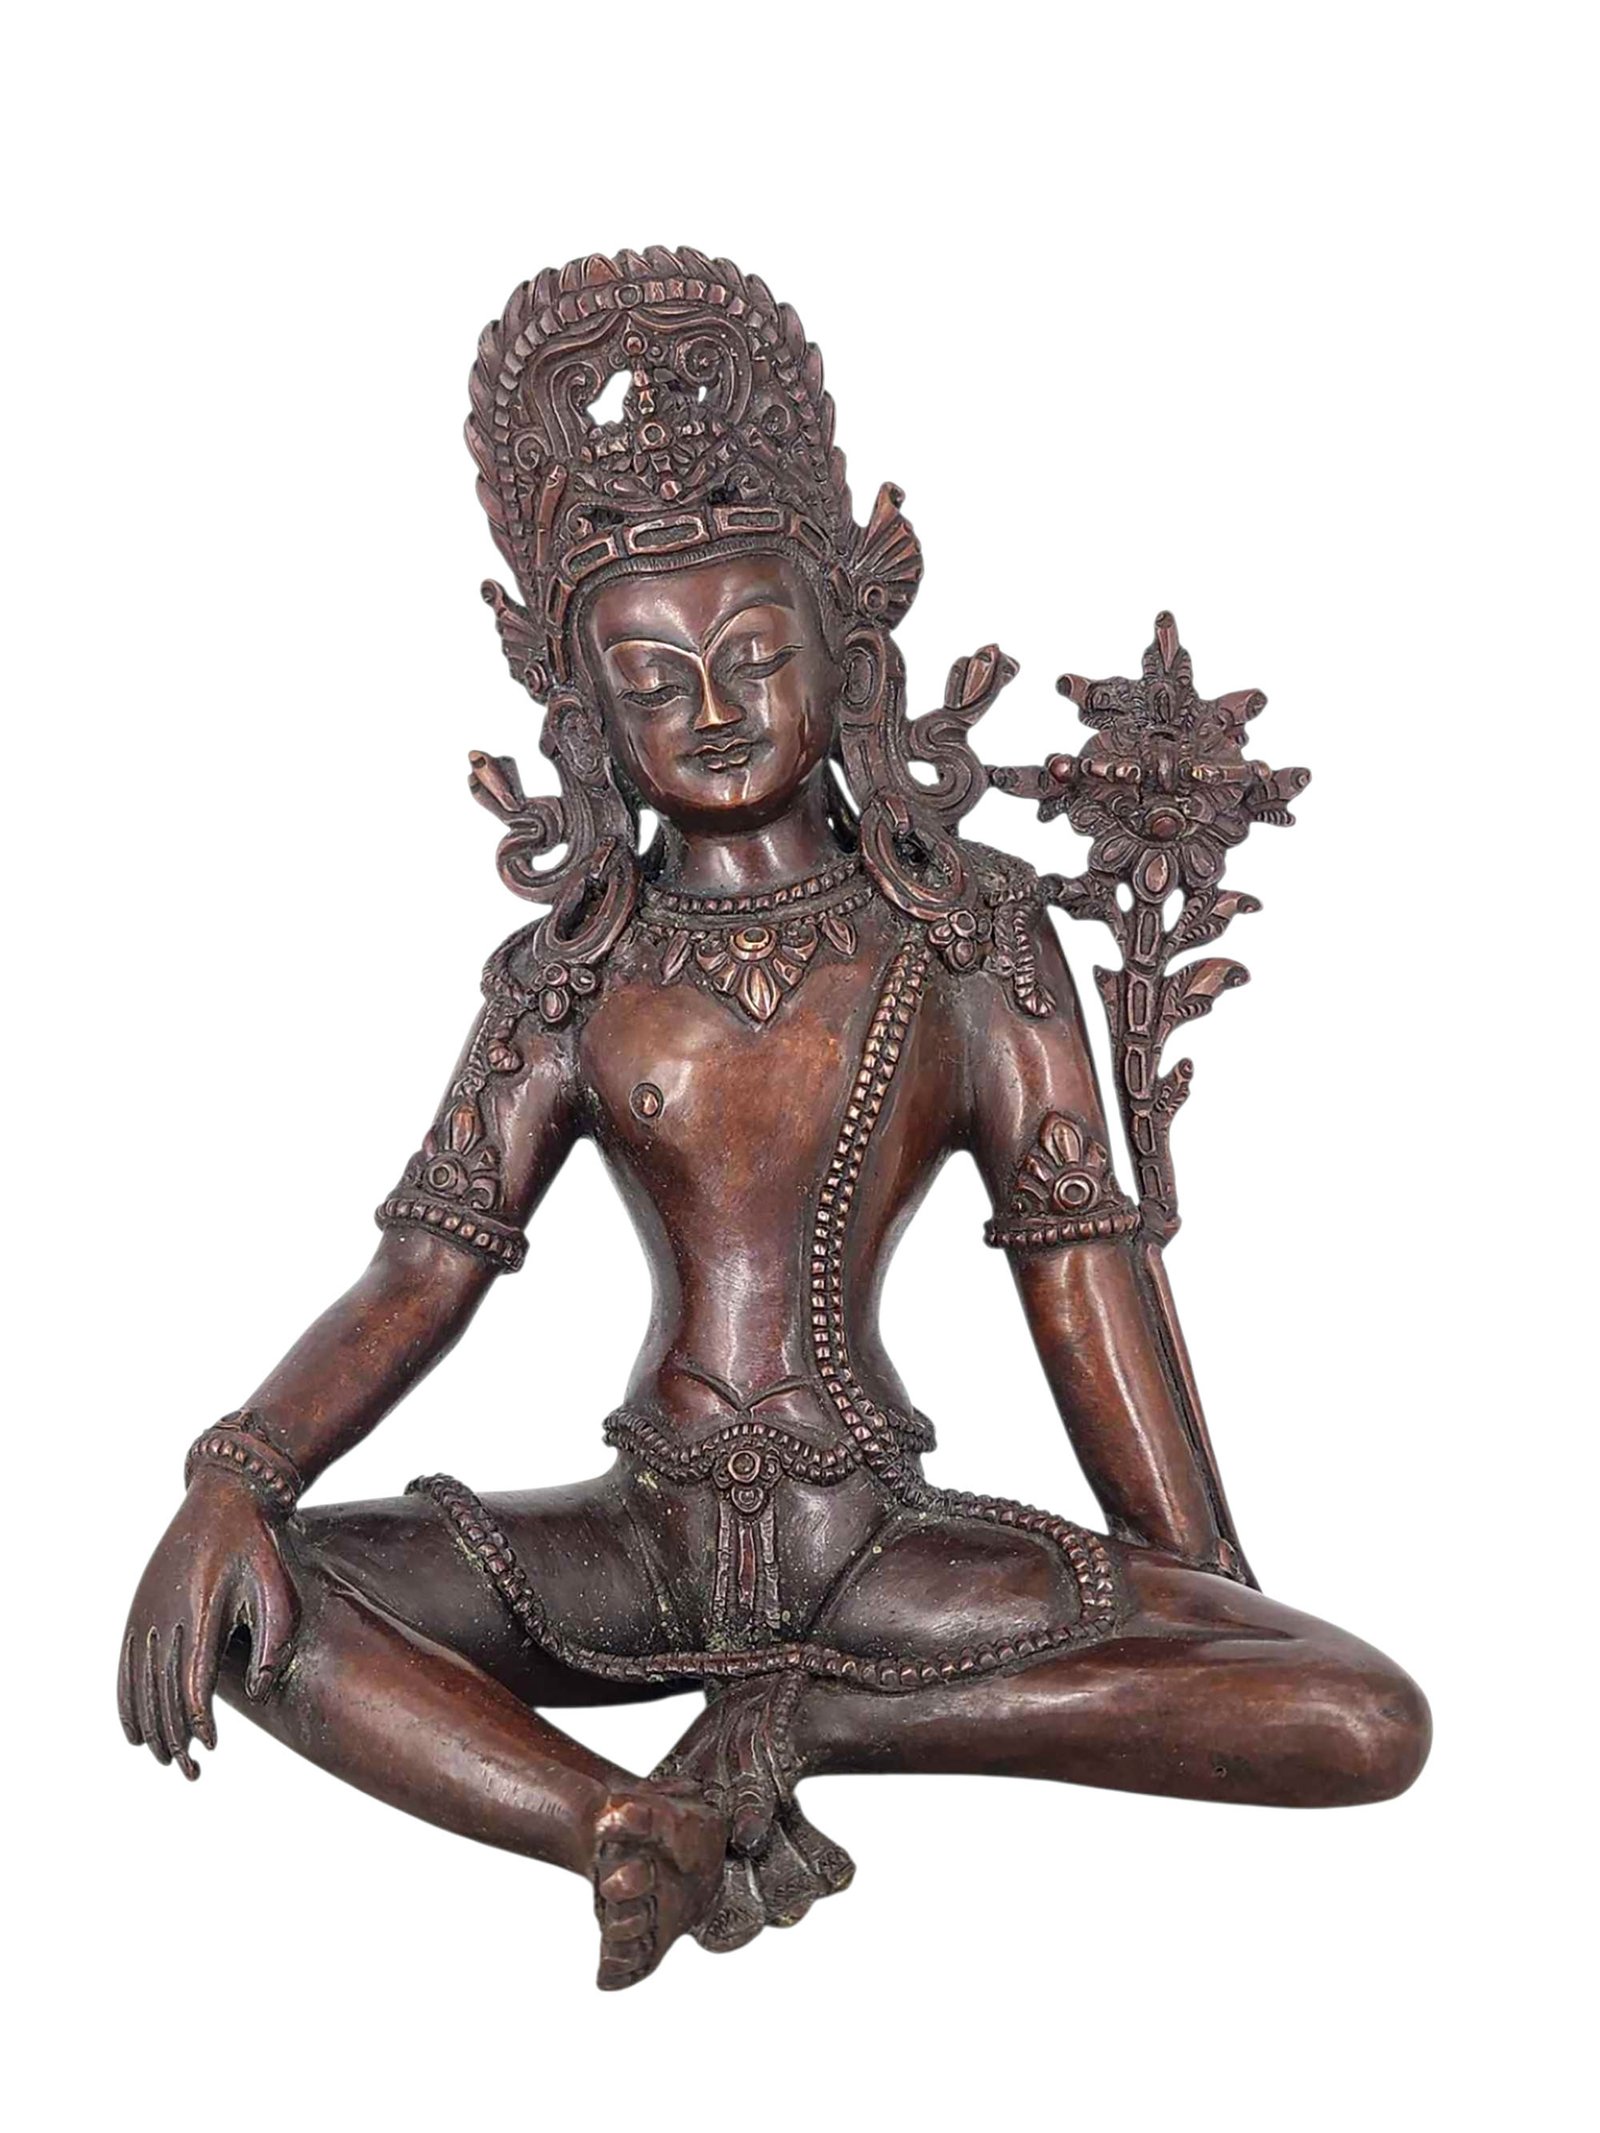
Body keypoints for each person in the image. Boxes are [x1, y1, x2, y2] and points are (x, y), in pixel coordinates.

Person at [120, 249, 1429, 1990]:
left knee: (1358, 1712)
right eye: (654, 682)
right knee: (250, 1600)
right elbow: (421, 1273)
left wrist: (1199, 1590)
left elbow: (1083, 1271)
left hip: (875, 1543)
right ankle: (618, 1820)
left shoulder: (967, 935)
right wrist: (237, 1471)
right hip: (635, 1538)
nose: (717, 712)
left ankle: (814, 1721)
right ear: (585, 719)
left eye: (754, 653)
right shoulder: (574, 970)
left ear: (848, 657)